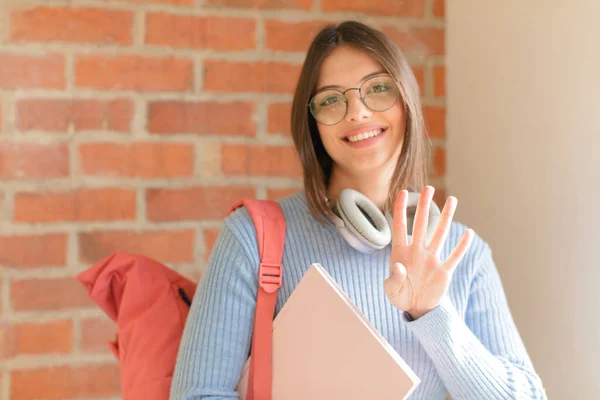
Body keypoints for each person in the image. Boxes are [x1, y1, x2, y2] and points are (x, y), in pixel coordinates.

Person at [170, 21, 546, 399]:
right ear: (313, 123)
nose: (358, 112)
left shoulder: (462, 254)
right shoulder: (254, 236)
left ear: (407, 102)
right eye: (331, 99)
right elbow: (197, 394)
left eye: (378, 88)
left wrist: (431, 313)